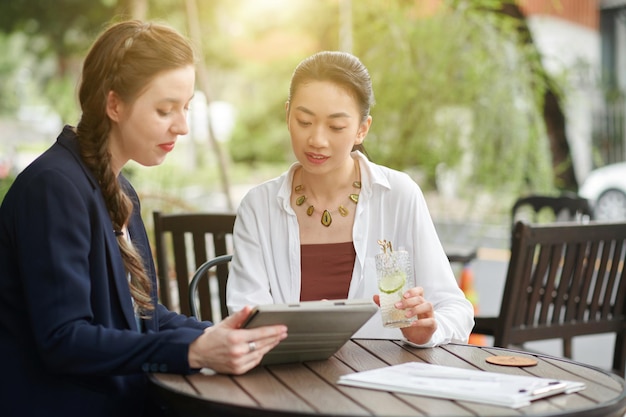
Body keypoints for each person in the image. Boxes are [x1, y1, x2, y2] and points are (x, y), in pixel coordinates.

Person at [0, 20, 287, 417]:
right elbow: (64, 340)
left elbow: (145, 316)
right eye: (165, 110)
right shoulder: (54, 188)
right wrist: (189, 351)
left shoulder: (118, 189)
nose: (182, 126)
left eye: (185, 108)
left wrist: (216, 334)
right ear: (114, 104)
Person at [226, 51, 474, 347]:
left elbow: (456, 309)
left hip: (380, 382)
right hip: (286, 381)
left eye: (336, 127)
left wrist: (429, 330)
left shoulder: (397, 195)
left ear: (362, 129)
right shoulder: (259, 207)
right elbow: (246, 314)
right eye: (304, 121)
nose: (317, 139)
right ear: (287, 115)